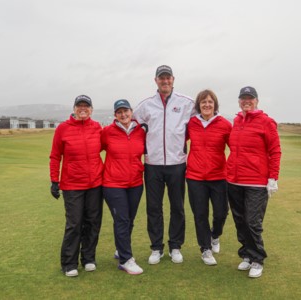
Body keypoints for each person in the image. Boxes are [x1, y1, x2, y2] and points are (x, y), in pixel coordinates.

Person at [133, 65, 195, 264]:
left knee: (177, 206)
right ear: (156, 81)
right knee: (154, 207)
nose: (165, 81)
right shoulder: (145, 106)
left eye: (168, 78)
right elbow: (132, 126)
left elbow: (204, 119)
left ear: (173, 79)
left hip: (177, 163)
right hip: (153, 164)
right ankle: (156, 247)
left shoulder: (187, 103)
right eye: (161, 78)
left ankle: (175, 246)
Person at [226, 86, 281, 278]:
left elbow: (275, 151)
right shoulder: (237, 121)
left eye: (250, 98)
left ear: (257, 101)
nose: (246, 101)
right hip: (234, 180)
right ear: (239, 101)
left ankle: (257, 259)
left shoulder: (266, 122)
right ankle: (247, 255)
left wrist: (273, 177)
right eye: (243, 98)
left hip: (256, 182)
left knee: (252, 222)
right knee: (240, 220)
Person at [49, 95, 104, 277]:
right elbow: (55, 156)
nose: (83, 109)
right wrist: (54, 181)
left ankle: (88, 258)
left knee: (92, 222)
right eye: (79, 106)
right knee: (74, 224)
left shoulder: (97, 127)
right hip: (72, 185)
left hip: (95, 183)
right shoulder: (63, 129)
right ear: (74, 109)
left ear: (91, 109)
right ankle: (69, 263)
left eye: (86, 106)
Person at [186, 89, 231, 266]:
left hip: (219, 176)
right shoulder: (191, 123)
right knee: (200, 214)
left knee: (221, 212)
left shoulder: (225, 124)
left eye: (210, 102)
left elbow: (235, 148)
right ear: (198, 105)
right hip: (195, 177)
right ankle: (205, 249)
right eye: (203, 102)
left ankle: (215, 235)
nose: (206, 105)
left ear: (215, 105)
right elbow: (178, 140)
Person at [101, 99, 146, 275]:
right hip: (113, 184)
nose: (123, 114)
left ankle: (121, 249)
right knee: (122, 220)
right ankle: (125, 260)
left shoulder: (140, 132)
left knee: (129, 219)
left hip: (135, 183)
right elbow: (93, 150)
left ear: (131, 112)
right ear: (115, 115)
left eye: (125, 111)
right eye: (119, 112)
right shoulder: (107, 132)